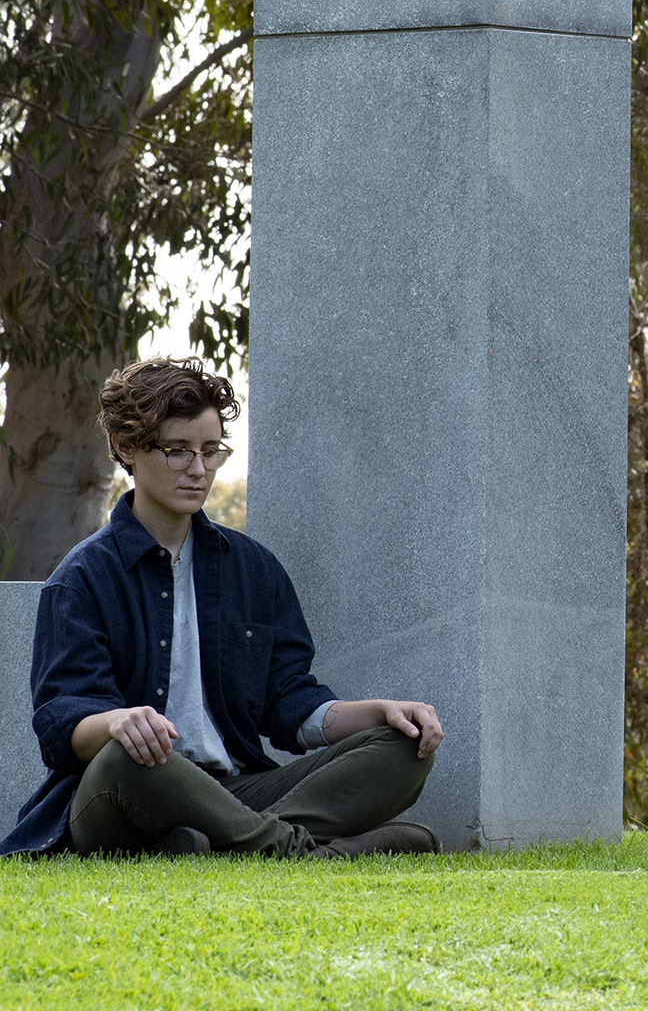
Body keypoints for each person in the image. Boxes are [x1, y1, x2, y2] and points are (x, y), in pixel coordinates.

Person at [2, 359, 447, 859]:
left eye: (211, 452)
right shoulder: (83, 579)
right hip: (127, 789)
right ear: (127, 448)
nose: (199, 470)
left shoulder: (254, 569)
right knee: (131, 760)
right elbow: (62, 724)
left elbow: (290, 701)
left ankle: (222, 846)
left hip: (236, 790)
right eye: (177, 452)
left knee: (402, 745)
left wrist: (380, 713)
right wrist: (116, 723)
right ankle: (302, 852)